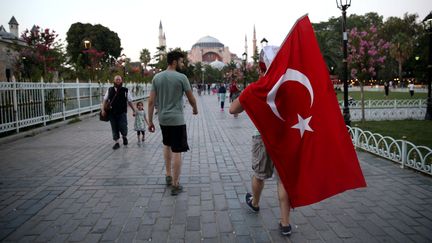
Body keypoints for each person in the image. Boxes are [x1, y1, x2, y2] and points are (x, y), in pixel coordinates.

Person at [229, 45, 292, 236]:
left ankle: (255, 203)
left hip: (263, 138)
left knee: (259, 174)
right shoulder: (288, 87)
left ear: (261, 67)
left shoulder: (256, 88)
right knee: (283, 180)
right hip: (285, 138)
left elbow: (233, 109)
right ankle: (285, 223)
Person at [147, 50, 198, 196]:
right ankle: (175, 184)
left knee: (167, 144)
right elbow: (191, 98)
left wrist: (150, 121)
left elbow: (151, 101)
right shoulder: (182, 77)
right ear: (174, 62)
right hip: (177, 120)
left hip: (163, 119)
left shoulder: (157, 77)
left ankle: (168, 174)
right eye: (181, 61)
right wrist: (195, 109)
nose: (182, 64)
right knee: (177, 151)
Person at [102, 75, 136, 150]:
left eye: (119, 79)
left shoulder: (125, 90)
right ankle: (116, 142)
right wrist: (103, 110)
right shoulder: (110, 90)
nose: (118, 81)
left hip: (122, 113)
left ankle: (124, 136)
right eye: (116, 80)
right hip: (112, 113)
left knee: (123, 126)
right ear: (114, 81)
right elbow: (105, 100)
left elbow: (130, 101)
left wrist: (134, 110)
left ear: (121, 81)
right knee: (114, 128)